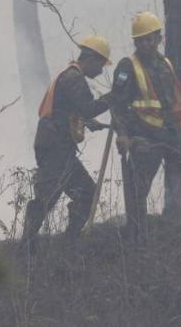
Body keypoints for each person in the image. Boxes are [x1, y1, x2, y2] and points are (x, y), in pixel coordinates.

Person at [110, 12, 181, 243]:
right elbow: (118, 106)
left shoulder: (165, 63)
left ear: (159, 38)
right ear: (135, 42)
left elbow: (175, 100)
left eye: (150, 38)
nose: (146, 43)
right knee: (138, 190)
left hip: (173, 135)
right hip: (144, 137)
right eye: (141, 40)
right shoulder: (127, 66)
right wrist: (123, 135)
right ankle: (137, 239)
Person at [19, 35, 113, 250]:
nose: (100, 71)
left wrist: (88, 122)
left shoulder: (70, 76)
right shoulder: (74, 79)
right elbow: (86, 107)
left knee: (71, 193)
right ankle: (32, 245)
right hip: (55, 146)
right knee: (55, 195)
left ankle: (60, 242)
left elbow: (68, 110)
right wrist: (113, 97)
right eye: (101, 64)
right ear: (90, 59)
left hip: (55, 143)